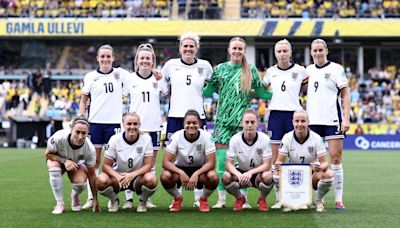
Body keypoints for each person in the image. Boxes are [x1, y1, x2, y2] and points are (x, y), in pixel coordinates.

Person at [203, 37, 272, 208]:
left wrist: (281, 92)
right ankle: (221, 199)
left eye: (240, 48)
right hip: (223, 122)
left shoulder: (251, 70)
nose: (237, 51)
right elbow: (207, 91)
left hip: (243, 123)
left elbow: (262, 92)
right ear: (229, 49)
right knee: (221, 162)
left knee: (242, 162)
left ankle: (244, 198)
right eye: (234, 48)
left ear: (244, 50)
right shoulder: (219, 69)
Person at [161, 32, 213, 207]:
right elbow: (163, 86)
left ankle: (199, 198)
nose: (188, 49)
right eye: (185, 46)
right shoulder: (170, 65)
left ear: (196, 48)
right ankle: (177, 197)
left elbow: (211, 85)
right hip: (176, 116)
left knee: (202, 156)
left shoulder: (205, 66)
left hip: (198, 116)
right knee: (174, 156)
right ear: (180, 48)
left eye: (192, 46)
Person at [79, 44, 131, 209]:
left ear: (113, 58)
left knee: (114, 162)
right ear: (98, 58)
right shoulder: (90, 76)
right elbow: (83, 100)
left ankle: (112, 196)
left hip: (114, 124)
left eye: (108, 56)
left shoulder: (120, 74)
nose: (105, 59)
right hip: (95, 124)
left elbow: (137, 79)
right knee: (93, 162)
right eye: (102, 56)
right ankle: (90, 197)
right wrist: (82, 118)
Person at [305, 38, 350, 210]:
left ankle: (338, 199)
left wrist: (346, 118)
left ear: (326, 51)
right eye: (314, 50)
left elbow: (346, 94)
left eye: (320, 50)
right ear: (311, 52)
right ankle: (318, 199)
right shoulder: (307, 71)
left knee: (336, 159)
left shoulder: (336, 69)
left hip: (332, 119)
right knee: (314, 162)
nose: (317, 53)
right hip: (312, 121)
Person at [262, 39, 308, 209]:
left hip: (294, 115)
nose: (282, 54)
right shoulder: (270, 72)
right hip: (275, 116)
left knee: (296, 156)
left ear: (290, 52)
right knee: (276, 159)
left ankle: (299, 198)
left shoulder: (300, 71)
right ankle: (279, 198)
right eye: (279, 51)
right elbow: (262, 89)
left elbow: (307, 88)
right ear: (275, 54)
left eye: (285, 51)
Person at [123, 43, 164, 209]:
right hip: (134, 127)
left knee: (151, 164)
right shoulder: (129, 79)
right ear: (137, 60)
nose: (145, 61)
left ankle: (146, 198)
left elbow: (168, 94)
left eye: (148, 58)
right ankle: (128, 199)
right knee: (129, 162)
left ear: (152, 60)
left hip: (153, 126)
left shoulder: (158, 79)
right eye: (142, 58)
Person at [96, 112, 157, 213]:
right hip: (118, 179)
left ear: (139, 125)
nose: (132, 127)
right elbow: (106, 166)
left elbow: (148, 165)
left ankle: (142, 202)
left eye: (135, 124)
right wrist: (118, 176)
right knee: (100, 180)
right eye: (129, 124)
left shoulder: (146, 139)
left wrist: (132, 175)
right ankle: (114, 200)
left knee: (151, 179)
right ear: (123, 125)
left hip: (138, 178)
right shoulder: (114, 139)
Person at [275, 110, 333, 213]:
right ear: (292, 122)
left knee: (328, 174)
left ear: (308, 122)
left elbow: (325, 162)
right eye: (297, 121)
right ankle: (284, 200)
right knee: (275, 173)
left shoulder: (316, 138)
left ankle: (318, 200)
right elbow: (279, 162)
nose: (300, 124)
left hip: (312, 175)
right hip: (293, 176)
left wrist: (319, 167)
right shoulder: (287, 137)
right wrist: (279, 166)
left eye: (303, 121)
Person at [160, 110, 219, 212]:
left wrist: (196, 174)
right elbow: (165, 162)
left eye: (194, 123)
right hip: (180, 169)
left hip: (200, 170)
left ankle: (203, 199)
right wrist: (181, 172)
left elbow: (211, 163)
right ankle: (177, 198)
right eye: (188, 123)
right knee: (165, 176)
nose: (191, 126)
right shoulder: (176, 136)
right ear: (184, 124)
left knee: (213, 177)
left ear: (199, 124)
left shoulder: (207, 137)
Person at [45, 116, 100, 214]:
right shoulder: (59, 137)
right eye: (77, 132)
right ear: (71, 130)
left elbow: (92, 175)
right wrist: (64, 160)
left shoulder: (90, 149)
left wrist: (95, 200)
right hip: (58, 161)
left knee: (80, 183)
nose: (80, 136)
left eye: (84, 133)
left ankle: (75, 196)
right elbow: (48, 154)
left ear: (87, 133)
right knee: (54, 169)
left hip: (76, 164)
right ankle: (60, 204)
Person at [222, 109, 273, 211]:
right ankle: (240, 198)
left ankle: (262, 199)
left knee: (268, 176)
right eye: (247, 122)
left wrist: (250, 173)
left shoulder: (265, 139)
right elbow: (228, 164)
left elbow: (267, 165)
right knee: (226, 177)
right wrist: (239, 175)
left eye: (252, 122)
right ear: (242, 123)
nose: (249, 125)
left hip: (258, 173)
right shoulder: (235, 139)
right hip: (241, 172)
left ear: (257, 123)